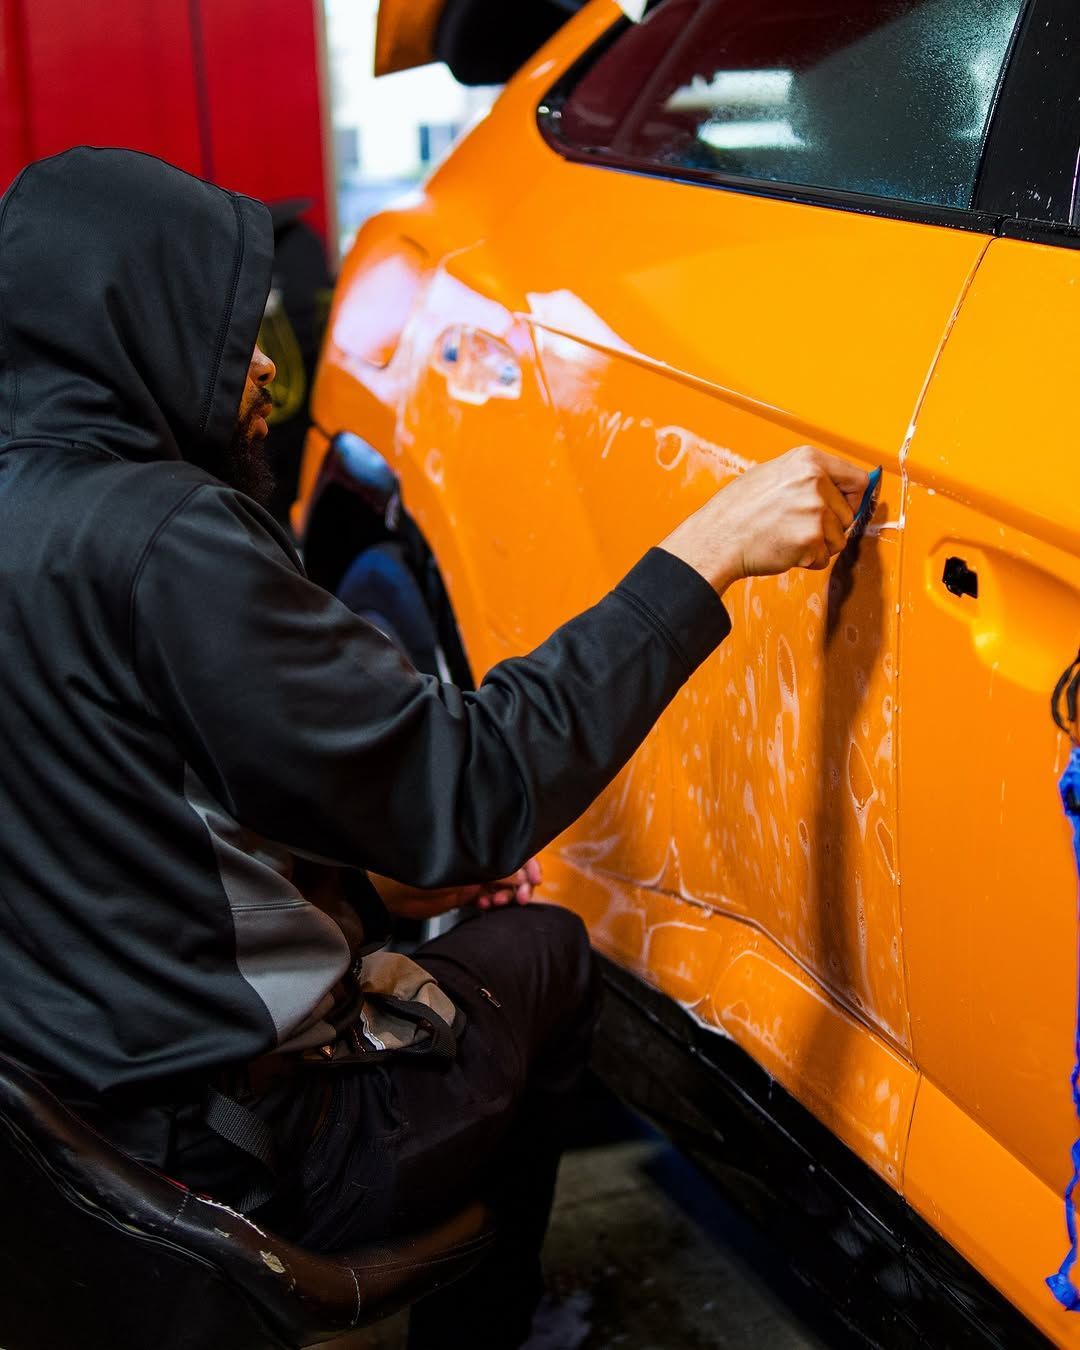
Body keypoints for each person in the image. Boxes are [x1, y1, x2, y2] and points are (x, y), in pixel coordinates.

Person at [0, 148, 868, 1348]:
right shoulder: (165, 540)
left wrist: (367, 881)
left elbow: (117, 799)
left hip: (52, 1136)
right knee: (548, 955)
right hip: (231, 1162)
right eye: (216, 334)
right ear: (123, 328)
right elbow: (477, 790)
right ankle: (493, 1332)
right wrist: (705, 552)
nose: (259, 369)